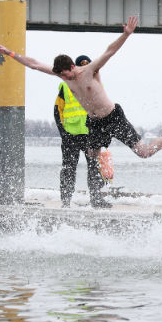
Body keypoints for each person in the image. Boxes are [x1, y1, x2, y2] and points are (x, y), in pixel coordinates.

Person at [0, 15, 162, 165]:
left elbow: (110, 51)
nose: (63, 79)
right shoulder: (62, 75)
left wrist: (126, 35)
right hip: (95, 122)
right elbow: (34, 64)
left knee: (143, 152)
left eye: (65, 75)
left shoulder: (89, 71)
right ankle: (101, 182)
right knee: (91, 155)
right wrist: (10, 53)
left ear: (72, 67)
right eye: (60, 76)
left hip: (113, 117)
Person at [54, 54, 108, 208]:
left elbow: (103, 109)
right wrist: (63, 133)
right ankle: (66, 201)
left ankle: (96, 199)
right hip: (70, 135)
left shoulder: (96, 84)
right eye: (82, 66)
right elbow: (57, 110)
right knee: (68, 169)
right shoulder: (65, 85)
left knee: (94, 168)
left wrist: (101, 131)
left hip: (90, 134)